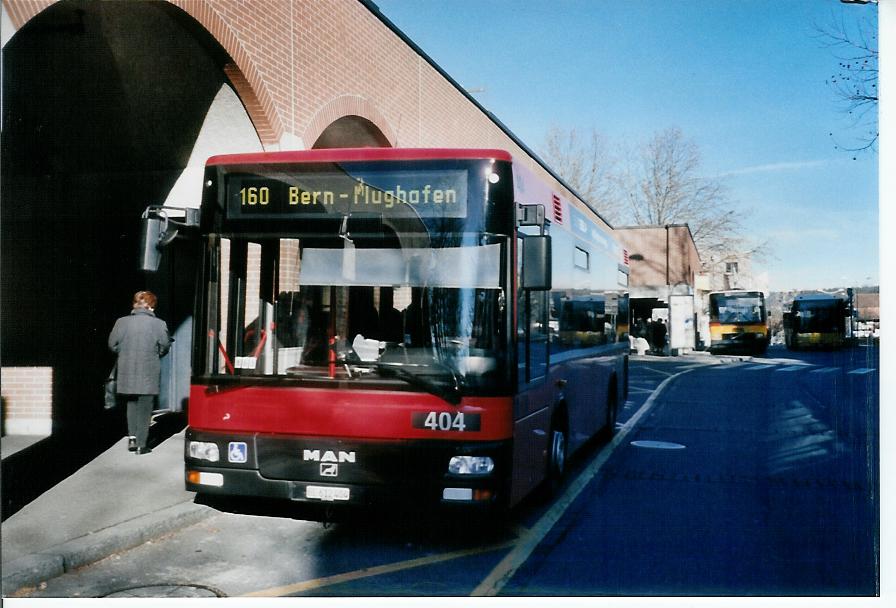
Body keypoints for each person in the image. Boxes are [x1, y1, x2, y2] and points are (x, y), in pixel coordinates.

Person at [108, 291, 173, 454]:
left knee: (131, 403)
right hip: (148, 369)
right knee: (145, 405)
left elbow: (112, 344)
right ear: (151, 306)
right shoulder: (159, 324)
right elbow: (165, 346)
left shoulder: (121, 322)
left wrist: (124, 352)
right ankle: (141, 444)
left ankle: (132, 437)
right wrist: (156, 353)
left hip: (127, 368)